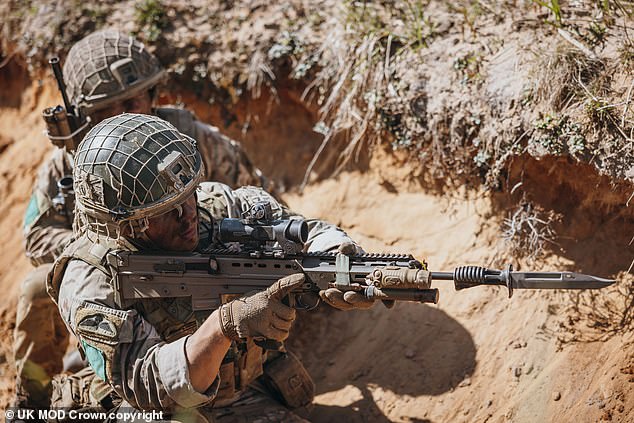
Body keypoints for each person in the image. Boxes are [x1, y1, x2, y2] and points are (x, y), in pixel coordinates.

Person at [46, 114, 373, 421]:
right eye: (163, 212)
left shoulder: (218, 206)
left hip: (239, 397)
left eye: (188, 195)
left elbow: (304, 232)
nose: (187, 214)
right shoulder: (89, 279)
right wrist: (224, 326)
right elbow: (152, 387)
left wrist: (340, 258)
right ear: (124, 226)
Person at [14, 29, 268, 408]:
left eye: (132, 102)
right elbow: (36, 236)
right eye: (106, 111)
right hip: (113, 276)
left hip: (200, 260)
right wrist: (104, 251)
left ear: (152, 95)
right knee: (37, 287)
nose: (123, 118)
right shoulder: (71, 162)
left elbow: (252, 195)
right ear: (83, 116)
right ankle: (33, 398)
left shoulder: (189, 137)